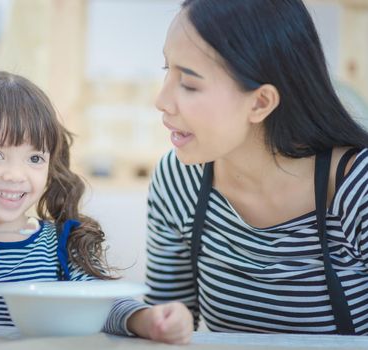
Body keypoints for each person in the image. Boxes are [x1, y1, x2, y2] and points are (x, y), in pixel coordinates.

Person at [0, 71, 192, 343]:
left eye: (35, 158)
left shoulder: (62, 245)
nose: (15, 175)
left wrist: (147, 320)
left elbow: (102, 306)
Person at [136, 0, 368, 335]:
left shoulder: (356, 185)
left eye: (188, 82)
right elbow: (164, 325)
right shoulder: (178, 180)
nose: (162, 100)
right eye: (166, 71)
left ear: (260, 102)